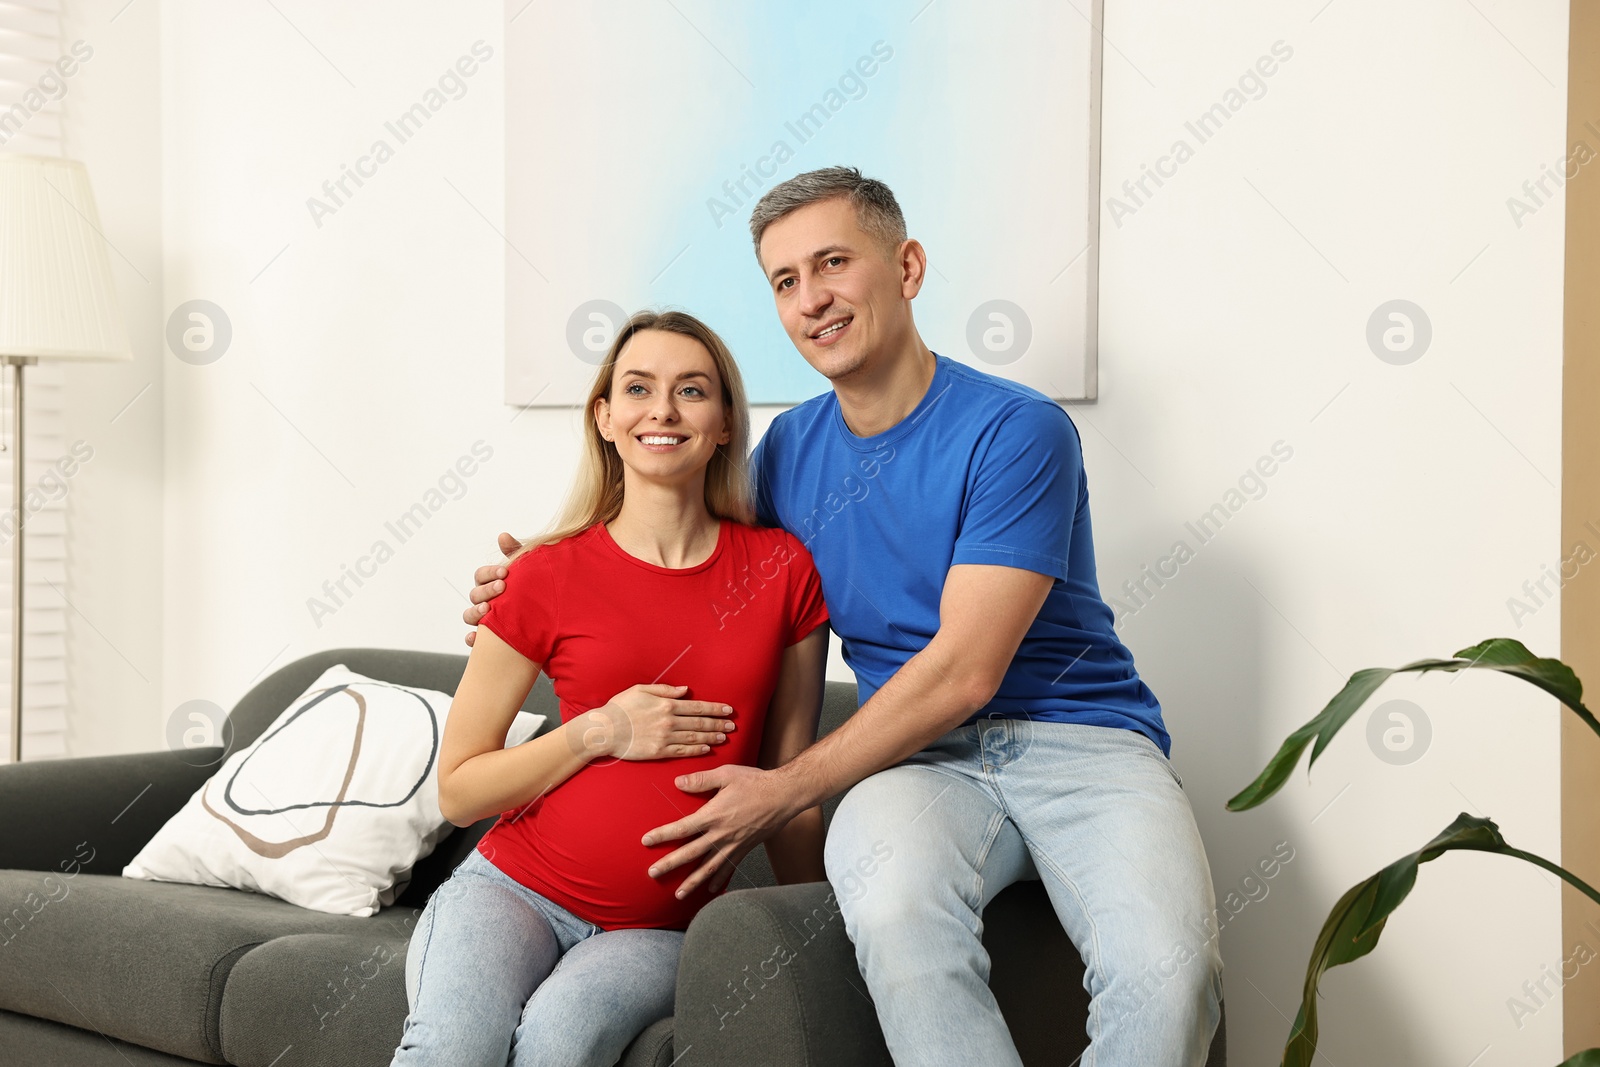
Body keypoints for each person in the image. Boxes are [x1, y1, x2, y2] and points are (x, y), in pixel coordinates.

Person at [466, 167, 1222, 1066]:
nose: (811, 298)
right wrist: (537, 583)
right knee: (899, 922)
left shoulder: (1017, 429)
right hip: (913, 763)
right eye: (785, 281)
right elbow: (696, 571)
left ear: (907, 267)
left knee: (1171, 977)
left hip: (1085, 745)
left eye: (833, 263)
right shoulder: (791, 451)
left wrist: (789, 786)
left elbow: (968, 668)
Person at [395, 310, 830, 1066]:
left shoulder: (782, 571)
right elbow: (461, 790)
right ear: (605, 416)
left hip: (658, 930)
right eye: (638, 388)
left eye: (691, 391)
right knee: (452, 1048)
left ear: (725, 422)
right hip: (512, 891)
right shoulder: (540, 574)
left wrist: (821, 929)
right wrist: (598, 730)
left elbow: (792, 784)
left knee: (559, 1044)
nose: (662, 410)